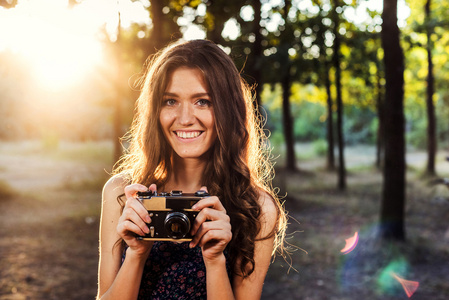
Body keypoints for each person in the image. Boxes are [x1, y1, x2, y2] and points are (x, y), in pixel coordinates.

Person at [97, 39, 287, 300]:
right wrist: (136, 255)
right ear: (156, 111)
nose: (185, 118)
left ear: (227, 110)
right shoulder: (122, 194)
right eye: (170, 101)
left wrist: (215, 260)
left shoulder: (256, 208)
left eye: (203, 102)